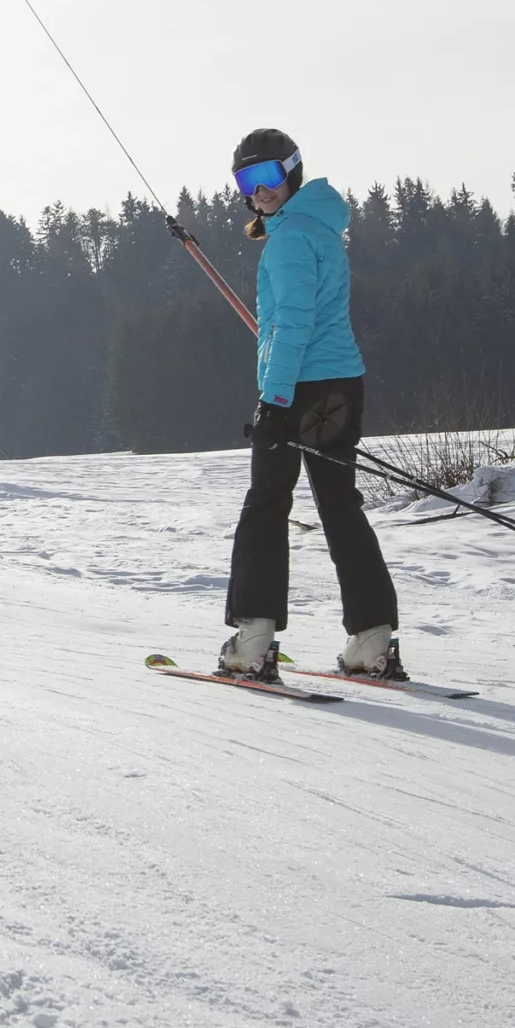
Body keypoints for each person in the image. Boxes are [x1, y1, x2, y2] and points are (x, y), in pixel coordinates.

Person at [217, 129, 400, 683]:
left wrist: (274, 402)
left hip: (299, 388)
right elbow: (301, 317)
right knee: (340, 507)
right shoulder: (320, 227)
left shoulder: (291, 239)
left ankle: (252, 643)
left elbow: (294, 323)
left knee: (265, 505)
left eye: (268, 176)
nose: (259, 191)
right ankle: (371, 642)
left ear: (292, 172)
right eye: (247, 181)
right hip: (342, 385)